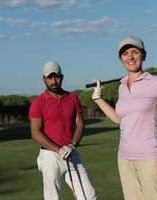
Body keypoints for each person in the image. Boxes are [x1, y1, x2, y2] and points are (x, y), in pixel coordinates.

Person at [91, 35, 157, 200]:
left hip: (150, 159)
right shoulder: (122, 86)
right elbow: (120, 120)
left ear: (143, 55)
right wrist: (98, 99)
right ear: (120, 58)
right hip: (124, 159)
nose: (130, 57)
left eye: (135, 52)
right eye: (125, 53)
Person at [29, 61, 96, 200]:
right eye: (50, 77)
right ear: (44, 79)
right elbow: (35, 133)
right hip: (49, 156)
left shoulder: (72, 98)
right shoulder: (38, 102)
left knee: (89, 195)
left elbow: (80, 125)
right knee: (52, 197)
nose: (54, 81)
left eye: (57, 77)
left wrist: (72, 145)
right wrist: (58, 149)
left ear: (62, 77)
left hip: (71, 153)